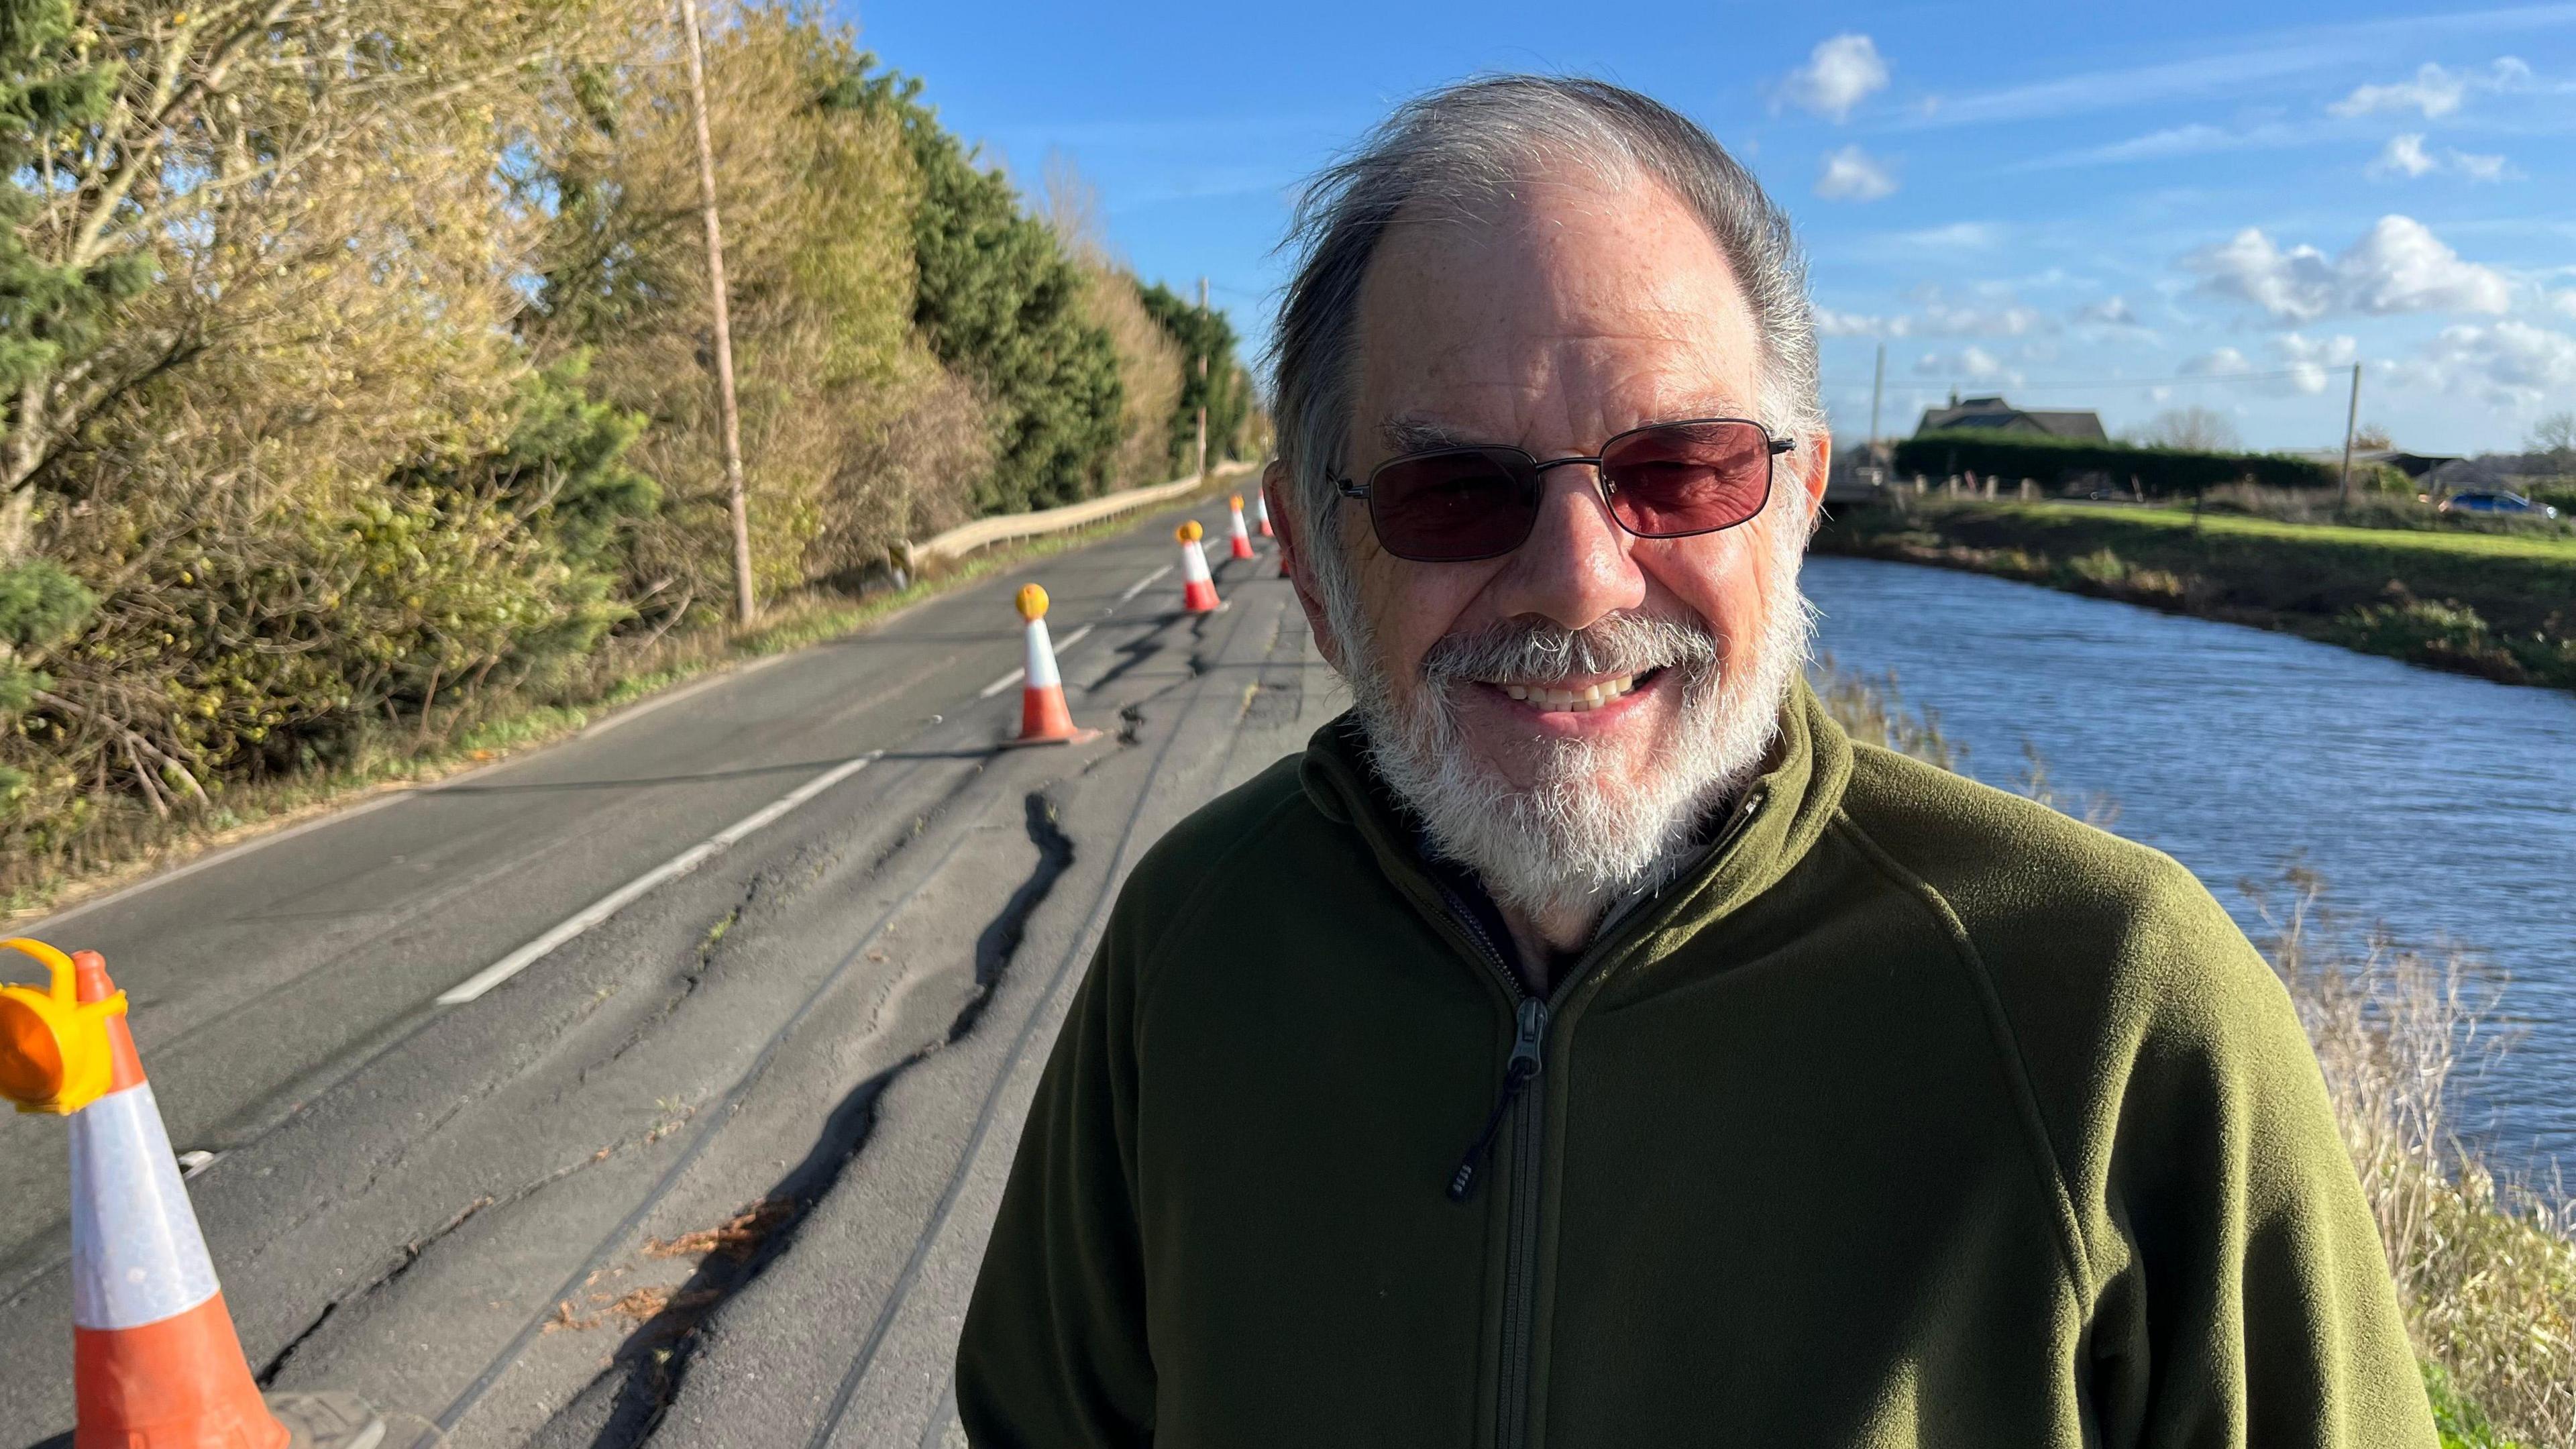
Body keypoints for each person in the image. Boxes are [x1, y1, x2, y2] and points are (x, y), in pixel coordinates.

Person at [956, 76, 2436, 1448]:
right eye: (1451, 489)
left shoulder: (2118, 1009)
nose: (1581, 581)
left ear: (1797, 501)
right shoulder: (1193, 948)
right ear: (1302, 551)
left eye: (1680, 470)